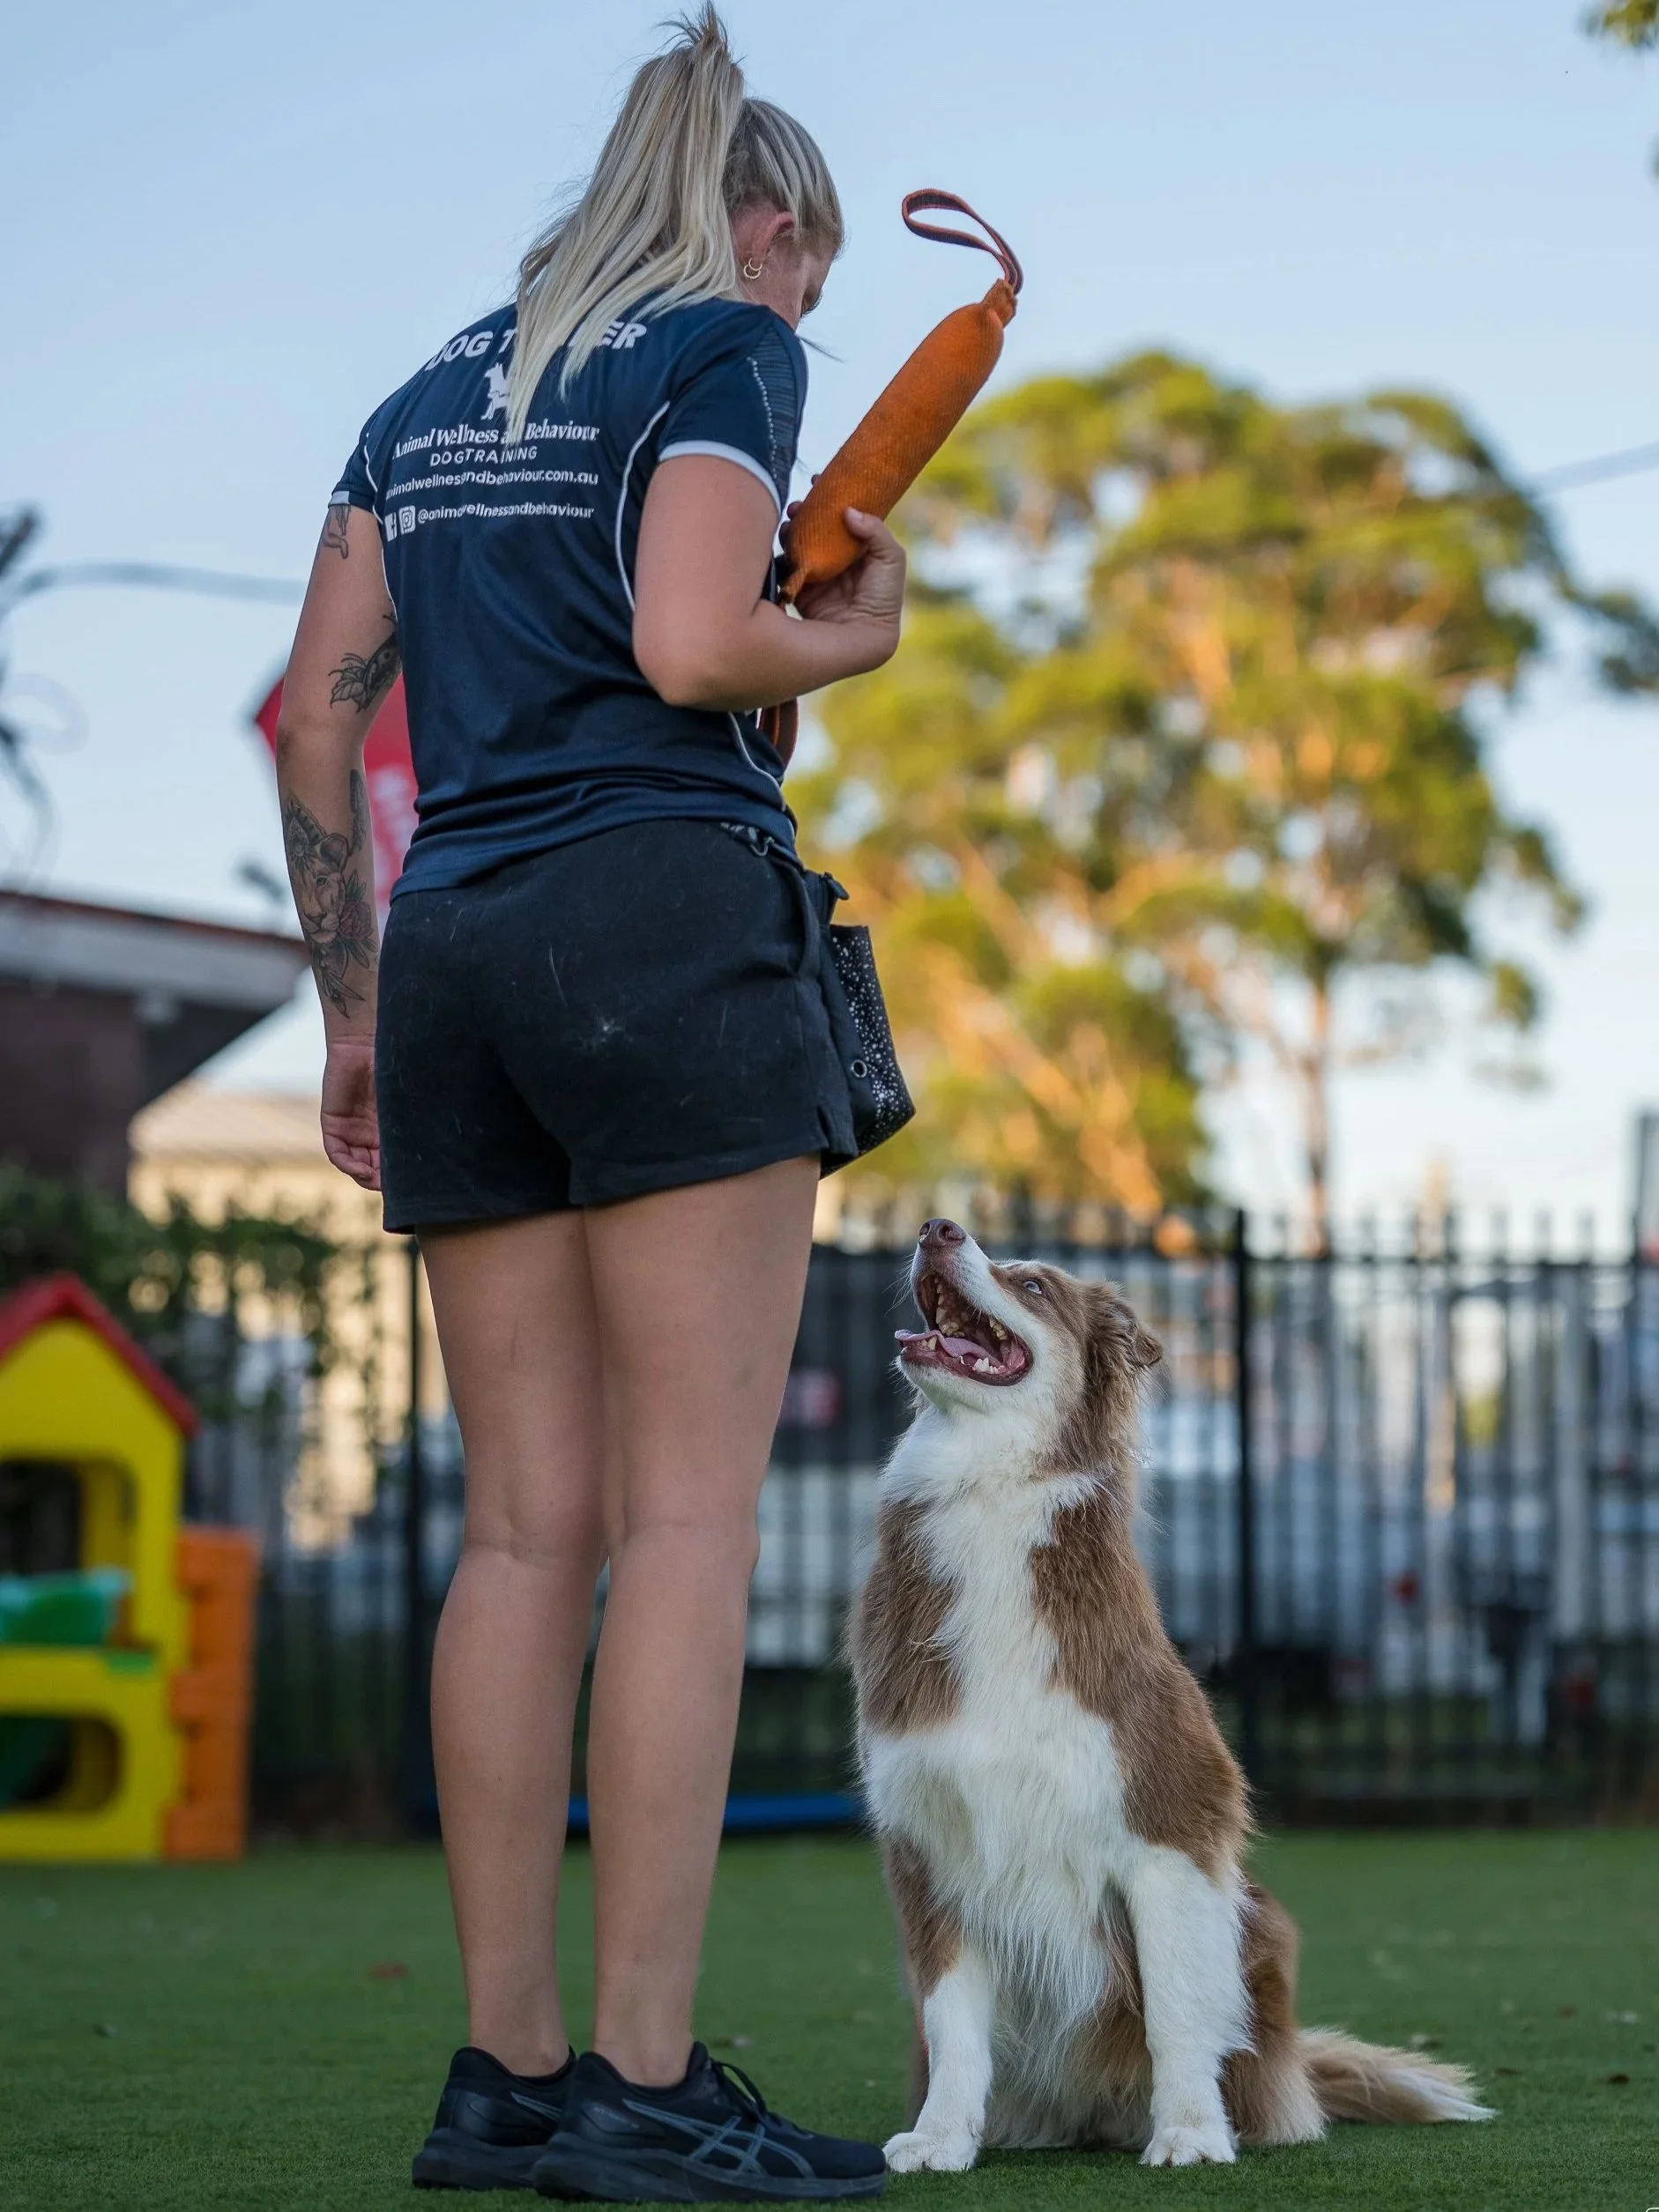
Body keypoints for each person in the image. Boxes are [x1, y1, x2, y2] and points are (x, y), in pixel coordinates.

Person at [275, 9, 903, 2201]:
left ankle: (508, 2078)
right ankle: (642, 2085)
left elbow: (317, 723)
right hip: (656, 918)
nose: (805, 303)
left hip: (452, 947)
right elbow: (693, 645)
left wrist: (350, 1011)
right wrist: (854, 643)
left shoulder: (424, 395)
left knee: (524, 1531)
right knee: (686, 1526)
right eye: (810, 265)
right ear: (763, 221)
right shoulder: (721, 345)